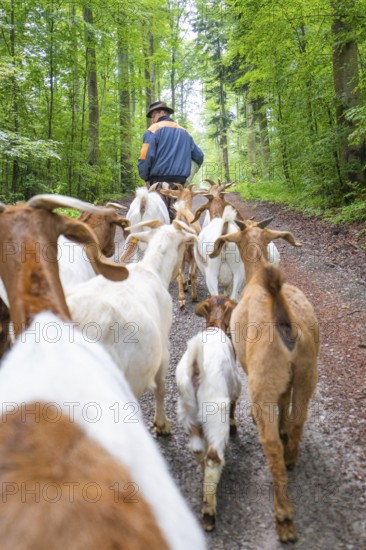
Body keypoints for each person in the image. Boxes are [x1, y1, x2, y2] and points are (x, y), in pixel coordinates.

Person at [138, 100, 204, 221]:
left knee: (149, 218)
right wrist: (188, 178)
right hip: (179, 184)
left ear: (161, 112)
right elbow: (199, 156)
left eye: (153, 116)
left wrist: (145, 177)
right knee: (179, 220)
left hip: (158, 183)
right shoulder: (185, 132)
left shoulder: (152, 130)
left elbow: (144, 157)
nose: (152, 119)